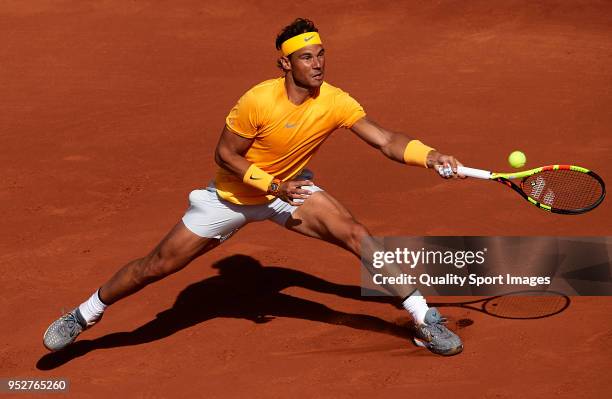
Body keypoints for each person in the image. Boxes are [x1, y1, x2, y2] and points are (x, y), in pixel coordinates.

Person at [43, 18, 464, 356]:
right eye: (306, 58)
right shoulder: (257, 101)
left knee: (356, 234)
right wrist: (272, 184)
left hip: (292, 194)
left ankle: (424, 317)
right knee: (155, 266)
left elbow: (385, 139)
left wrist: (431, 155)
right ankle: (84, 314)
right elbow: (225, 155)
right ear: (285, 64)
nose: (317, 65)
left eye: (321, 55)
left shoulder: (335, 100)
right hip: (232, 198)